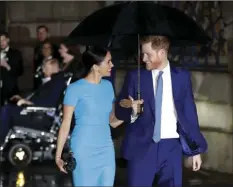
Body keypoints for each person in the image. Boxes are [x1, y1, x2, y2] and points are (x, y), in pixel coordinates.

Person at [116, 35, 208, 187]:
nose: (144, 58)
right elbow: (120, 108)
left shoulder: (182, 76)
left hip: (172, 147)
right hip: (141, 147)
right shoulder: (135, 77)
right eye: (142, 53)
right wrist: (132, 110)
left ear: (162, 53)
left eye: (148, 54)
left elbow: (189, 113)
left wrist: (195, 150)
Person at [55, 46, 124, 186]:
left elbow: (112, 121)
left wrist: (132, 114)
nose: (112, 65)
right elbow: (66, 123)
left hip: (106, 149)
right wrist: (58, 155)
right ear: (95, 67)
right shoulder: (74, 89)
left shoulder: (108, 86)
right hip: (83, 149)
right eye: (108, 62)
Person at [0, 59, 67, 144]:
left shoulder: (57, 83)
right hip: (35, 113)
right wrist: (24, 100)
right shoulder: (54, 82)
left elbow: (49, 104)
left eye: (44, 68)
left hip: (40, 117)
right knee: (7, 108)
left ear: (51, 69)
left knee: (6, 110)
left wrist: (28, 103)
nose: (42, 70)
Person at [0, 31, 24, 105]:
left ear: (8, 40)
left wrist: (7, 66)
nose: (1, 42)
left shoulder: (16, 53)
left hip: (10, 90)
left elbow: (20, 71)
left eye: (3, 40)